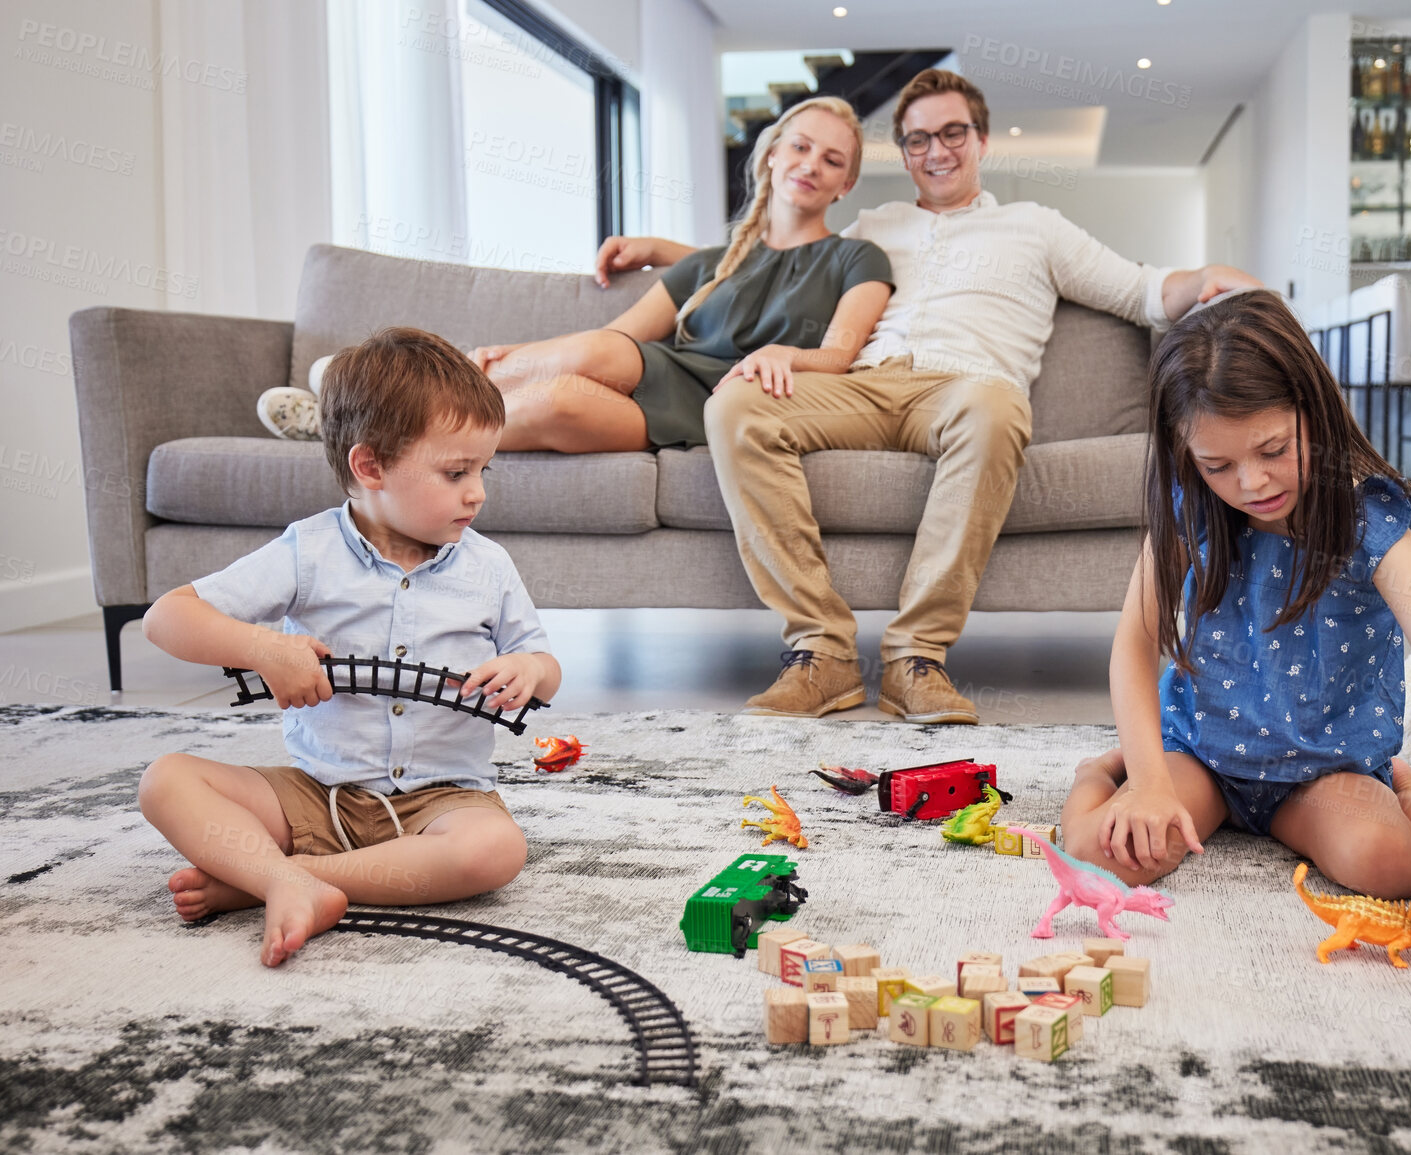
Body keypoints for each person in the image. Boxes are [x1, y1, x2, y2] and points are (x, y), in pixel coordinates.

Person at [596, 70, 1261, 724]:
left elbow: (1139, 290)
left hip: (966, 387)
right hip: (860, 384)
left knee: (997, 407)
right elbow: (770, 262)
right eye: (918, 140)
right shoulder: (870, 227)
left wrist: (1204, 277)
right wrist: (659, 249)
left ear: (981, 140)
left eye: (952, 133)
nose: (936, 151)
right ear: (904, 153)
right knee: (734, 404)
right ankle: (820, 650)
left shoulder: (1035, 226)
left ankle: (915, 657)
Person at [1059, 289, 1411, 929]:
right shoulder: (1190, 506)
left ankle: (1399, 779)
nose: (1251, 485)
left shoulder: (1370, 521)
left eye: (1271, 451)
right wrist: (1149, 780)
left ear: (1313, 410)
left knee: (1395, 868)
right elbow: (1134, 642)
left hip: (1320, 774)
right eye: (1218, 465)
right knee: (1100, 852)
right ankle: (1103, 768)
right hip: (1204, 758)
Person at [138, 328, 562, 967]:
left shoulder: (489, 566)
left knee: (494, 851)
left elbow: (547, 667)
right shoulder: (307, 551)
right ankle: (286, 876)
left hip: (441, 802)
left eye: (482, 470)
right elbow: (167, 618)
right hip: (316, 795)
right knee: (165, 781)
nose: (477, 492)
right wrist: (264, 648)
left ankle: (274, 879)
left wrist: (528, 669)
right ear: (370, 467)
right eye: (455, 472)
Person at [255, 97, 893, 455]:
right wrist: (520, 355)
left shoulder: (858, 259)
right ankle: (363, 397)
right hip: (657, 373)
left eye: (832, 159)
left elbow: (840, 354)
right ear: (775, 152)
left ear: (846, 183)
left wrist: (789, 354)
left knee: (557, 401)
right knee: (593, 352)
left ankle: (358, 413)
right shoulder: (707, 263)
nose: (812, 164)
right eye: (801, 145)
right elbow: (615, 343)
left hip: (721, 407)